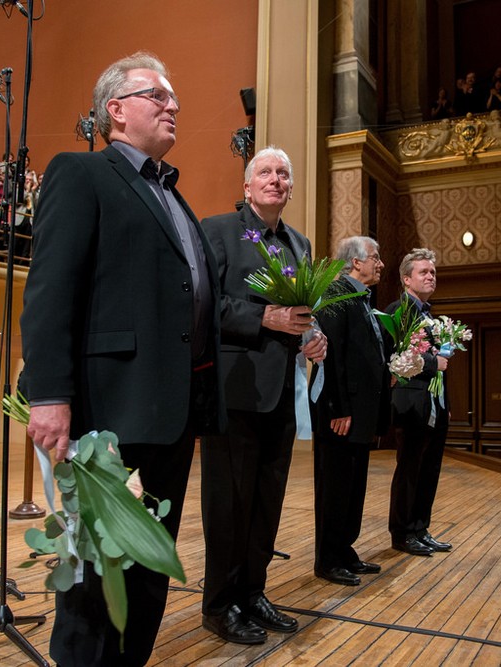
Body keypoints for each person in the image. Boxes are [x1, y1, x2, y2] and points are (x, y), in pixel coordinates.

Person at [20, 51, 224, 667]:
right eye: (157, 95)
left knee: (147, 572)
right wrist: (49, 395)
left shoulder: (172, 195)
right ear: (115, 108)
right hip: (108, 413)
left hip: (170, 416)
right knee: (96, 579)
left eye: (173, 97)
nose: (173, 105)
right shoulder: (81, 173)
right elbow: (50, 291)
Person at [200, 146, 327, 645]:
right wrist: (264, 317)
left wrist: (314, 335)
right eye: (266, 172)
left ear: (290, 188)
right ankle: (219, 604)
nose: (275, 179)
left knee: (267, 501)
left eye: (283, 174)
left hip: (283, 394)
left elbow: (304, 311)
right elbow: (204, 303)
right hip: (236, 389)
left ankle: (253, 593)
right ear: (248, 185)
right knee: (228, 503)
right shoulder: (218, 231)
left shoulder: (300, 243)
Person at [312, 236, 389, 586]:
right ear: (356, 262)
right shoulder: (336, 294)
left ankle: (344, 549)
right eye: (375, 257)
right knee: (336, 487)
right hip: (341, 413)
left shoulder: (360, 297)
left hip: (359, 412)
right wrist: (339, 408)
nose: (380, 264)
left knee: (353, 486)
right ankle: (328, 559)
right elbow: (332, 358)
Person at [385, 248, 453, 557]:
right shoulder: (398, 312)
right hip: (410, 403)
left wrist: (444, 402)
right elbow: (395, 359)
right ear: (406, 279)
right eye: (423, 272)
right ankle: (402, 533)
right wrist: (433, 362)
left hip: (434, 403)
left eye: (433, 272)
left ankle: (420, 528)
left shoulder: (430, 315)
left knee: (430, 468)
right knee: (409, 470)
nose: (430, 277)